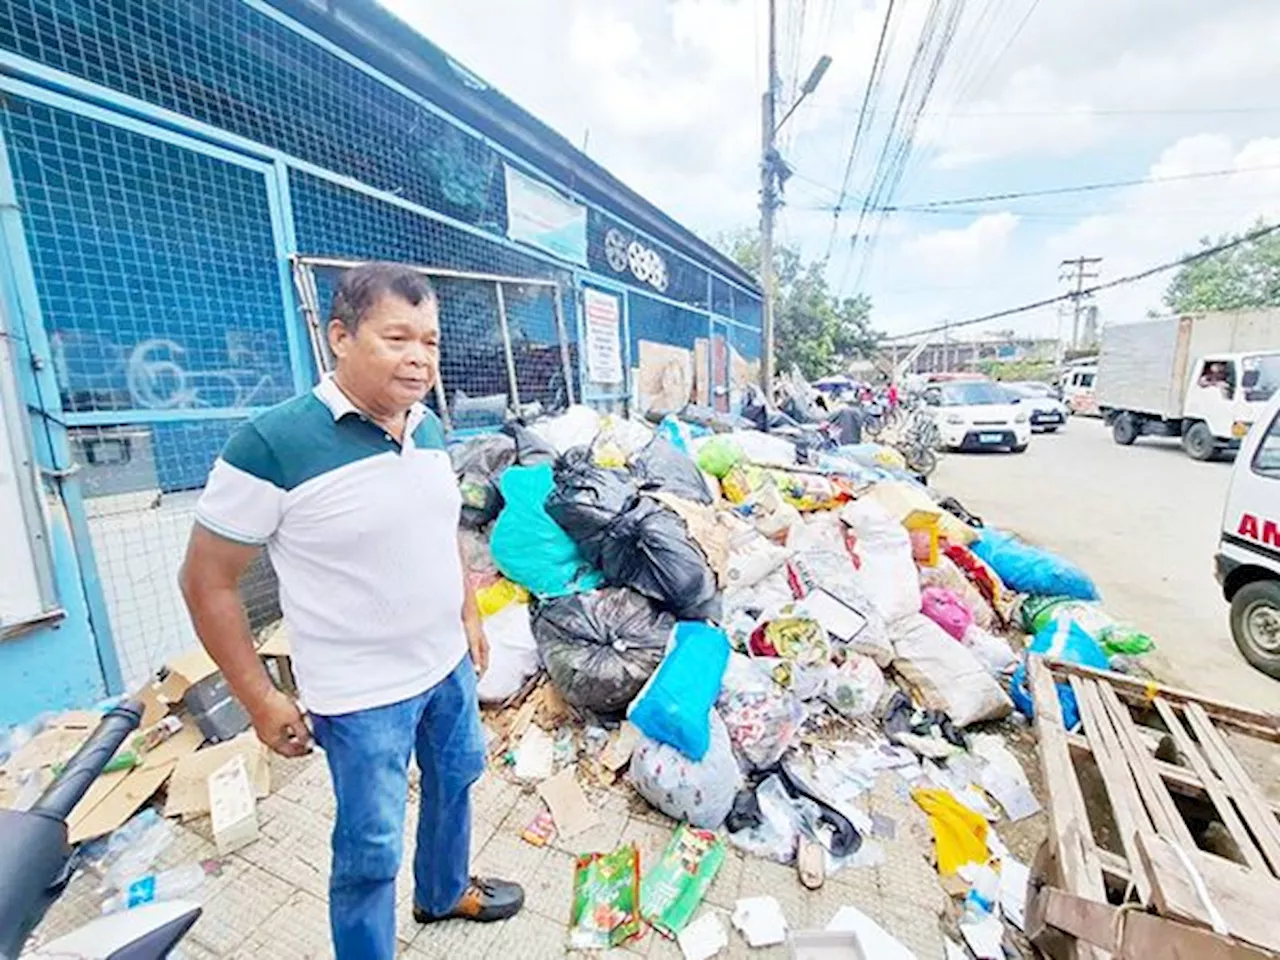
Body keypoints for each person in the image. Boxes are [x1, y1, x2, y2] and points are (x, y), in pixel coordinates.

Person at [179, 263, 523, 960]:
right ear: (340, 336)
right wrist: (259, 697)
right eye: (397, 337)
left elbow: (438, 529)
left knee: (458, 781)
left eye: (429, 341)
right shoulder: (272, 444)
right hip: (361, 695)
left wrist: (469, 614)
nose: (420, 357)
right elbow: (206, 583)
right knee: (369, 848)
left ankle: (442, 890)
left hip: (445, 668)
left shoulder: (426, 426)